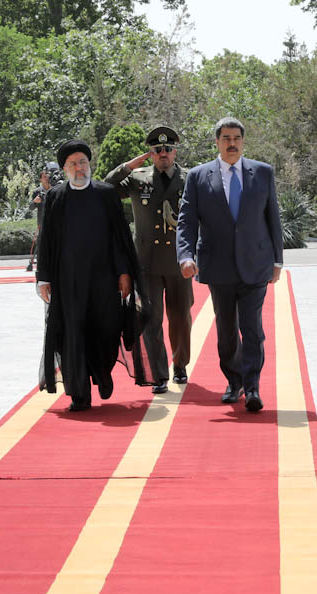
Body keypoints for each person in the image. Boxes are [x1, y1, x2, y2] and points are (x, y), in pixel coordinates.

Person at [176, 117, 283, 413]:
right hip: (218, 265)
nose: (232, 143)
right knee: (225, 330)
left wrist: (277, 259)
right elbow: (186, 221)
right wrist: (186, 255)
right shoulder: (198, 177)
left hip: (255, 263)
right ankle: (233, 381)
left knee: (252, 328)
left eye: (236, 138)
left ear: (243, 141)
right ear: (217, 142)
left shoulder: (262, 173)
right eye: (226, 138)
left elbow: (273, 217)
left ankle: (252, 388)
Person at [36, 140, 149, 411]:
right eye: (73, 164)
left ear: (90, 165)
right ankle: (79, 392)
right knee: (73, 333)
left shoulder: (105, 193)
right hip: (68, 281)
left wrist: (124, 273)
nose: (79, 168)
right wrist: (43, 278)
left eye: (83, 162)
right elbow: (46, 241)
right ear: (64, 168)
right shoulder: (55, 198)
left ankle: (103, 373)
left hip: (104, 278)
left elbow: (119, 237)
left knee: (106, 328)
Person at [106, 126, 193, 395]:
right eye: (156, 150)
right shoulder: (137, 178)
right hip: (147, 263)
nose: (163, 154)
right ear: (150, 154)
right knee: (150, 318)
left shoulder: (190, 178)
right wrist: (131, 164)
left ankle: (180, 364)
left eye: (167, 149)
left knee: (180, 318)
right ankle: (158, 374)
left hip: (179, 263)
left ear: (175, 151)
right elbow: (108, 187)